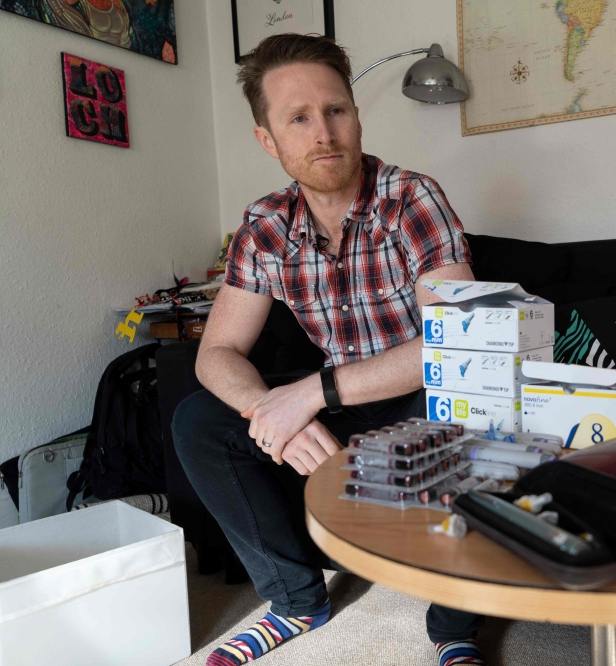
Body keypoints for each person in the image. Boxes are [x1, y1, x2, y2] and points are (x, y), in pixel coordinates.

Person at [172, 33, 488, 666]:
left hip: (426, 399)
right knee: (199, 422)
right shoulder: (265, 225)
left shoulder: (411, 200)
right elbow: (217, 353)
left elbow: (460, 345)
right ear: (269, 139)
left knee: (480, 414)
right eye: (298, 117)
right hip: (346, 406)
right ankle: (294, 601)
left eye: (336, 110)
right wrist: (269, 412)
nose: (324, 132)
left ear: (356, 114)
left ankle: (456, 626)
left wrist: (310, 396)